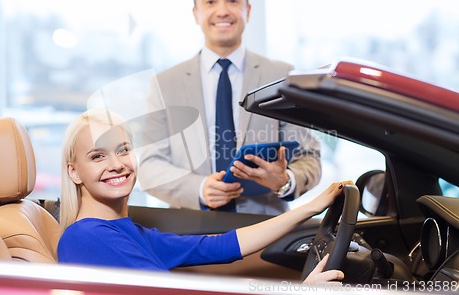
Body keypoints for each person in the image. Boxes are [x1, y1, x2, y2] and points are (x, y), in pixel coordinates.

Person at [57, 109, 348, 284]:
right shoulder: (88, 237)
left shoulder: (124, 231)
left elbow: (222, 246)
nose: (117, 164)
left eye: (123, 149)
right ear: (74, 172)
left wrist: (310, 208)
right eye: (98, 156)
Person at [138, 0, 321, 215]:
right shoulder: (165, 84)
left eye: (232, 0)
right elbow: (149, 165)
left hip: (265, 226)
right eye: (210, 1)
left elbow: (309, 156)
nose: (222, 10)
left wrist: (285, 179)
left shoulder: (281, 77)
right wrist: (199, 187)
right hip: (191, 228)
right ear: (196, 13)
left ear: (248, 10)